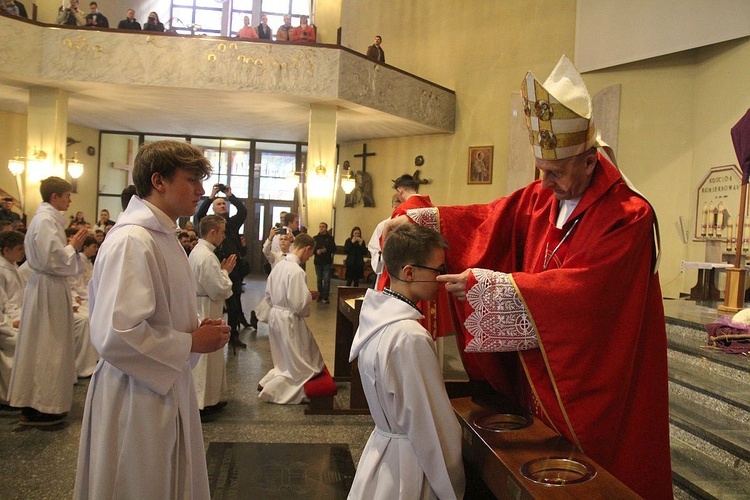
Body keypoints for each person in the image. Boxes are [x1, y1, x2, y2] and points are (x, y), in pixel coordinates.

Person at [387, 55, 672, 499]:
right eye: (541, 169)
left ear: (591, 160)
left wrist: (496, 289)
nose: (544, 181)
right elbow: (486, 221)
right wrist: (415, 221)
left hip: (596, 388)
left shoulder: (628, 217)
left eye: (556, 171)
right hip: (535, 383)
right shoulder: (543, 197)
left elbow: (590, 299)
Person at [74, 140, 230, 499]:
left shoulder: (161, 235)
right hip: (135, 392)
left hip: (159, 381)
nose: (201, 191)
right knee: (138, 483)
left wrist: (192, 328)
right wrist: (190, 343)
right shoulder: (133, 240)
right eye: (191, 180)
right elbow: (117, 333)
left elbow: (160, 311)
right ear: (158, 181)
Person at [349, 224, 464, 499]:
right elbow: (430, 425)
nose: (442, 279)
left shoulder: (376, 320)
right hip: (410, 466)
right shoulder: (409, 336)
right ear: (409, 272)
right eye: (437, 270)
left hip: (382, 451)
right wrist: (455, 481)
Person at [7, 176, 87, 426]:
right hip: (47, 287)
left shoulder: (46, 220)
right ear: (55, 197)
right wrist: (73, 246)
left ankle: (37, 403)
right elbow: (53, 260)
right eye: (67, 195)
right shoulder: (45, 221)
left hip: (48, 287)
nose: (70, 200)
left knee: (46, 344)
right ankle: (44, 405)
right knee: (49, 346)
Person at [258, 233, 324, 404]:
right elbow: (299, 304)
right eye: (311, 253)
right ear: (307, 248)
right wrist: (309, 297)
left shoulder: (279, 266)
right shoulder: (296, 270)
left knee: (283, 358)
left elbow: (268, 294)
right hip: (289, 318)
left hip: (276, 314)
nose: (309, 258)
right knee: (300, 363)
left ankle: (271, 380)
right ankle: (274, 390)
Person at [189, 215, 235, 413]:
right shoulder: (206, 257)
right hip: (205, 307)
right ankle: (201, 403)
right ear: (213, 232)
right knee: (205, 358)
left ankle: (211, 399)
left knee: (211, 357)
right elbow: (218, 289)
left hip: (203, 304)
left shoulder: (199, 251)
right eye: (223, 232)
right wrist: (225, 272)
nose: (224, 236)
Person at [195, 183, 249, 350]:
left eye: (223, 203)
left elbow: (243, 211)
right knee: (215, 301)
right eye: (218, 204)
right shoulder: (209, 223)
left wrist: (230, 195)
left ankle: (233, 335)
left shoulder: (231, 224)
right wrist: (210, 196)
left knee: (234, 304)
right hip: (216, 266)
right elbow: (200, 214)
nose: (222, 205)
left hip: (233, 267)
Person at [312, 222, 336, 304]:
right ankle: (320, 295)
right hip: (318, 261)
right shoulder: (315, 238)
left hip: (327, 261)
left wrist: (326, 250)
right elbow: (311, 249)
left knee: (326, 280)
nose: (321, 228)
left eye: (323, 227)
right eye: (320, 226)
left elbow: (334, 249)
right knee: (319, 279)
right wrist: (316, 251)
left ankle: (325, 297)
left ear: (326, 228)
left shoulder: (330, 238)